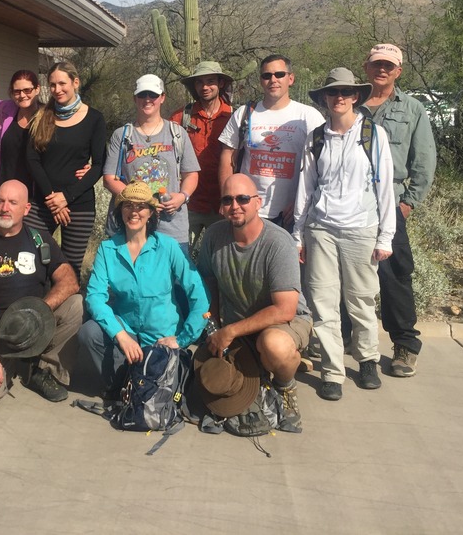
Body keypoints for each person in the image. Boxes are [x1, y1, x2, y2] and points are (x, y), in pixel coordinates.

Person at [293, 67, 396, 401]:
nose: (338, 98)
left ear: (355, 97)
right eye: (332, 93)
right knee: (323, 303)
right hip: (321, 228)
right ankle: (332, 371)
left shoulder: (373, 135)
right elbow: (305, 188)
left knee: (361, 299)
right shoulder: (317, 137)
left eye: (345, 93)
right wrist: (298, 232)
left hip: (360, 228)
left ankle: (367, 360)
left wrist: (386, 237)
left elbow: (385, 189)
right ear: (324, 98)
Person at [0, 180, 83, 411]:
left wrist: (37, 312)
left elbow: (70, 281)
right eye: (0, 201)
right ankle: (8, 365)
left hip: (34, 323)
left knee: (76, 305)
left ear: (26, 209)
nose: (5, 208)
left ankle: (41, 369)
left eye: (13, 202)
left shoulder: (40, 240)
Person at [197, 173, 313, 432]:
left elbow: (285, 310)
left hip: (285, 322)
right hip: (237, 326)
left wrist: (230, 332)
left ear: (258, 203)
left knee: (273, 345)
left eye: (243, 198)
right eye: (227, 200)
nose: (235, 206)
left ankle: (285, 387)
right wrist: (213, 326)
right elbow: (208, 283)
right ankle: (257, 378)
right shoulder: (214, 236)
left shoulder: (277, 242)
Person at [81, 180, 209, 392]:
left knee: (156, 390)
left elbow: (198, 293)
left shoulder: (168, 247)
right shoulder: (108, 249)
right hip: (128, 333)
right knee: (90, 332)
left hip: (162, 338)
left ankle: (139, 386)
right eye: (128, 205)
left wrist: (183, 339)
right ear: (120, 210)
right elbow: (95, 296)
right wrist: (120, 335)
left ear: (151, 213)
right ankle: (118, 387)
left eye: (141, 206)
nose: (134, 211)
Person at [359, 43, 437, 377]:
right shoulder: (351, 104)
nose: (382, 70)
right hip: (351, 206)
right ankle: (352, 338)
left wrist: (407, 204)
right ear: (367, 67)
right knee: (349, 273)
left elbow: (424, 160)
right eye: (377, 64)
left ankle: (404, 345)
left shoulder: (412, 109)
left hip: (391, 204)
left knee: (394, 276)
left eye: (388, 66)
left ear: (398, 71)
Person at [218, 55, 324, 230]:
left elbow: (321, 164)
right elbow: (227, 155)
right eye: (267, 75)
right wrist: (227, 198)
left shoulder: (308, 116)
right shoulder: (245, 113)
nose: (273, 80)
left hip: (291, 214)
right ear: (261, 80)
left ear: (291, 78)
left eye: (279, 74)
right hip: (248, 210)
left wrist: (301, 201)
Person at [25, 61, 107, 279]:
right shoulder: (42, 116)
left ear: (75, 82)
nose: (57, 89)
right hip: (43, 203)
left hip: (78, 205)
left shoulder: (95, 119)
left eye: (62, 83)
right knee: (28, 258)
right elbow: (32, 160)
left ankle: (68, 312)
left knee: (70, 269)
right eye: (52, 85)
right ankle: (35, 309)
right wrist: (53, 199)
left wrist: (66, 197)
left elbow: (99, 164)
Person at [103, 73, 200, 255]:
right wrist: (141, 201)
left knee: (175, 279)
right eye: (142, 95)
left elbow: (191, 174)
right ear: (135, 98)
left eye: (153, 95)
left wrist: (182, 196)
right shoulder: (122, 135)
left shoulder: (177, 133)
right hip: (131, 223)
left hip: (171, 225)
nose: (148, 99)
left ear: (162, 97)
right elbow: (109, 179)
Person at [170, 61, 234, 256]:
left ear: (220, 83)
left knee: (221, 261)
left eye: (210, 81)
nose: (205, 87)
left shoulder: (234, 117)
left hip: (222, 204)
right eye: (200, 82)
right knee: (178, 257)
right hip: (188, 203)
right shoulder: (182, 117)